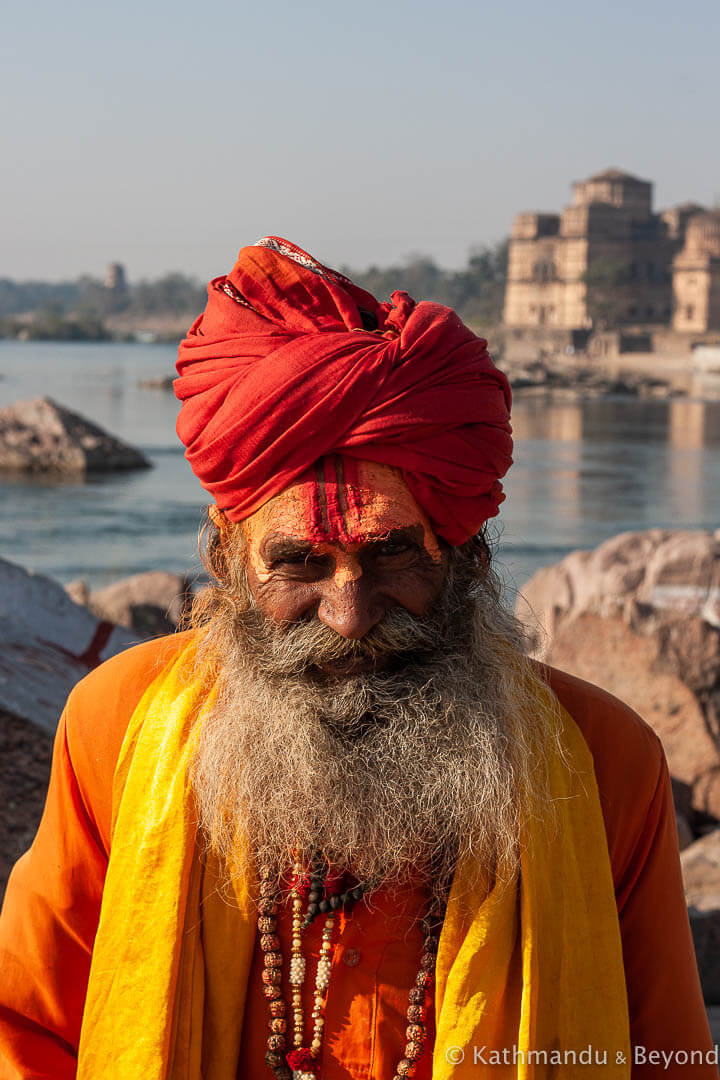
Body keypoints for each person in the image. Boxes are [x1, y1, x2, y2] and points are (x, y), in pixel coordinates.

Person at [0, 237, 714, 1080]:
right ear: (229, 562)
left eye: (393, 556)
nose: (348, 616)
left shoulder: (602, 760)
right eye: (299, 562)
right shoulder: (115, 724)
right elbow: (29, 1032)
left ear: (466, 554)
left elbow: (664, 1056)